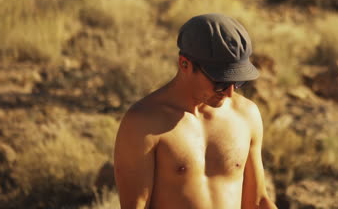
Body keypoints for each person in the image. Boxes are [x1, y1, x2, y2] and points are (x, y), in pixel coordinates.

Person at [114, 13, 278, 209]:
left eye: (237, 81)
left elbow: (258, 202)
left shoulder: (246, 115)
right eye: (220, 82)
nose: (229, 92)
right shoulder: (143, 123)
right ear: (185, 64)